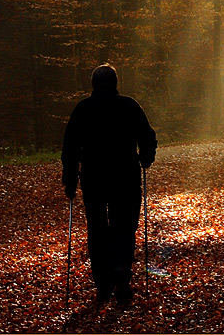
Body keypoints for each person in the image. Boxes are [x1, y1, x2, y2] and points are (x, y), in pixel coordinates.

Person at [62, 64, 157, 305]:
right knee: (124, 226)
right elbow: (147, 136)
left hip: (94, 177)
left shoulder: (83, 109)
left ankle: (103, 283)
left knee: (97, 229)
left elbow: (70, 148)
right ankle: (121, 273)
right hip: (125, 175)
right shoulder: (129, 105)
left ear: (93, 84)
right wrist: (146, 157)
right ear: (116, 82)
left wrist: (70, 180)